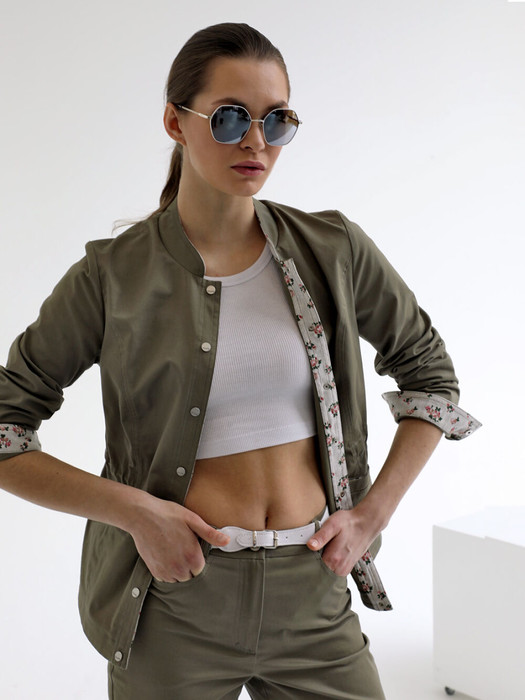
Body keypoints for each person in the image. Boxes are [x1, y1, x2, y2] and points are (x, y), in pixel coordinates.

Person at [0, 22, 480, 700]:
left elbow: (429, 375)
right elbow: (6, 429)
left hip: (313, 591)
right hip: (174, 602)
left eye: (276, 120)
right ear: (176, 121)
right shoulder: (112, 277)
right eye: (229, 118)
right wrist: (135, 513)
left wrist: (372, 514)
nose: (256, 141)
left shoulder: (332, 249)